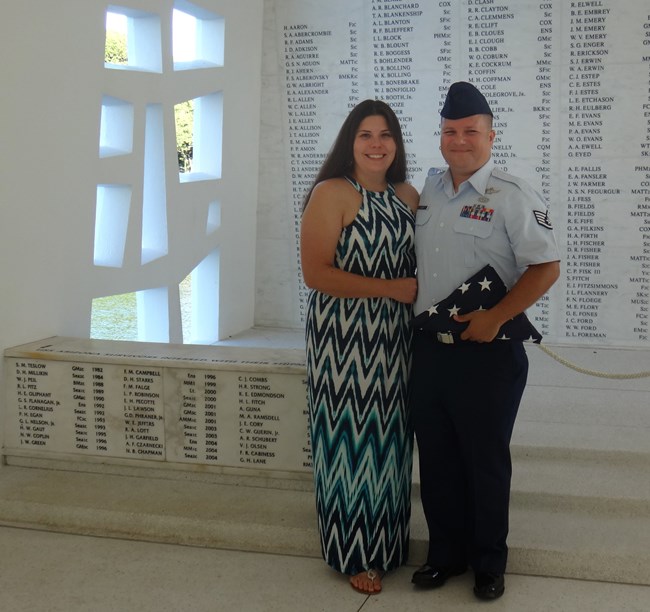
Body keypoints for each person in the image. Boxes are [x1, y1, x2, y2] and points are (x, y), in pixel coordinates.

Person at [410, 82, 560, 600]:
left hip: (487, 354)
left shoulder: (512, 195)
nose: (459, 140)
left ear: (490, 136)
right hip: (429, 351)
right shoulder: (426, 189)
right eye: (450, 131)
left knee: (485, 461)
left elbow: (546, 266)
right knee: (437, 459)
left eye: (470, 131)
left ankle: (489, 563)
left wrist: (497, 316)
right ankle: (444, 556)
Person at [300, 99, 419, 595]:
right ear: (350, 142)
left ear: (396, 144)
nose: (376, 144)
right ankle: (353, 552)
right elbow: (316, 273)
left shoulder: (407, 195)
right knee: (347, 442)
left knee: (390, 442)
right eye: (366, 135)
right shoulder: (333, 193)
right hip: (343, 339)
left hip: (396, 339)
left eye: (385, 135)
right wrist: (390, 288)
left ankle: (388, 546)